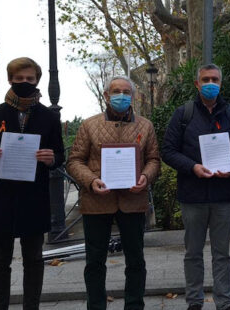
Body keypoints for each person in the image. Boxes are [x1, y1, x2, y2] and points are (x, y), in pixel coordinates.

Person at [0, 57, 64, 310]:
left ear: (37, 80)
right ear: (10, 79)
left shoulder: (48, 117)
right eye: (19, 78)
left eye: (30, 79)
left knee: (34, 259)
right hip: (0, 199)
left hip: (34, 198)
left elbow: (59, 154)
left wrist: (52, 158)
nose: (25, 82)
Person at [161, 64, 230, 310]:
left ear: (221, 84)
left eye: (214, 79)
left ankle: (225, 302)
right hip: (192, 196)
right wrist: (193, 167)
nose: (210, 84)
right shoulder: (183, 114)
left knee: (222, 254)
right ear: (196, 83)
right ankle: (194, 301)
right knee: (193, 253)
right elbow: (168, 150)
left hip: (224, 195)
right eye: (205, 79)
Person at [66, 76, 161, 310]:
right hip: (96, 202)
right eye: (116, 91)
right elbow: (74, 161)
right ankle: (96, 306)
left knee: (136, 260)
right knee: (95, 262)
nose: (121, 96)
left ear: (133, 96)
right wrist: (92, 180)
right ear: (106, 95)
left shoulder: (145, 125)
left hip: (133, 201)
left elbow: (154, 160)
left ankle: (134, 306)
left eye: (126, 92)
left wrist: (146, 177)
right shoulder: (89, 125)